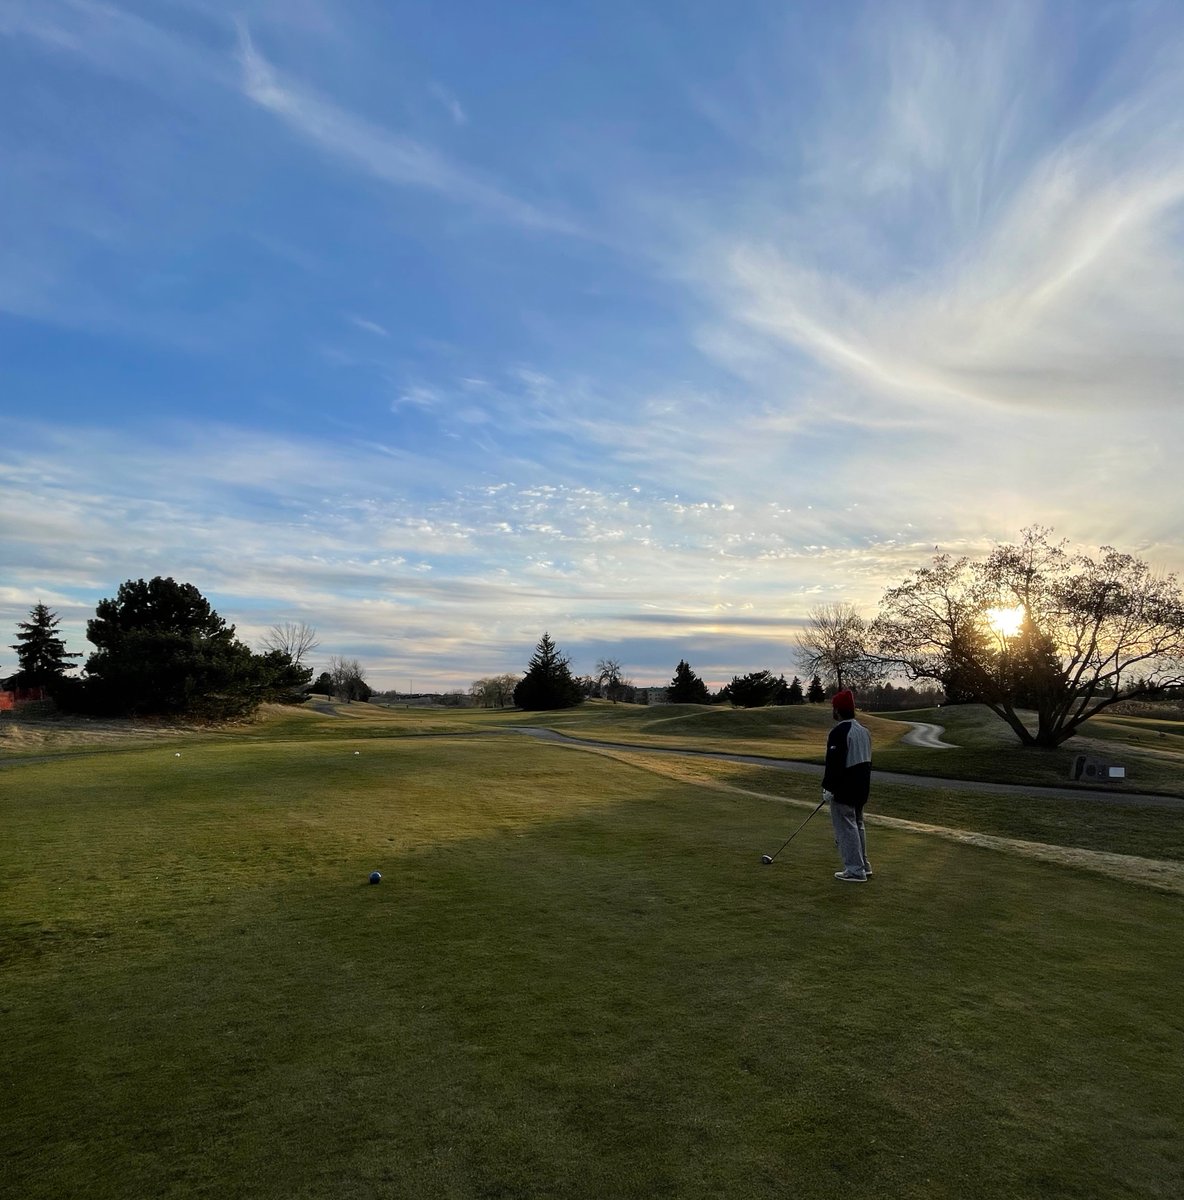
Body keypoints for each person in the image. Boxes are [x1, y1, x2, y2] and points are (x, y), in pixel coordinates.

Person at [822, 689, 873, 882]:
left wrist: (828, 787)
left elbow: (835, 764)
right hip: (862, 787)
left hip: (844, 788)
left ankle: (854, 870)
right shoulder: (864, 731)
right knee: (858, 824)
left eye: (834, 708)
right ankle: (863, 865)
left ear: (838, 710)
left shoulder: (839, 732)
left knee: (846, 828)